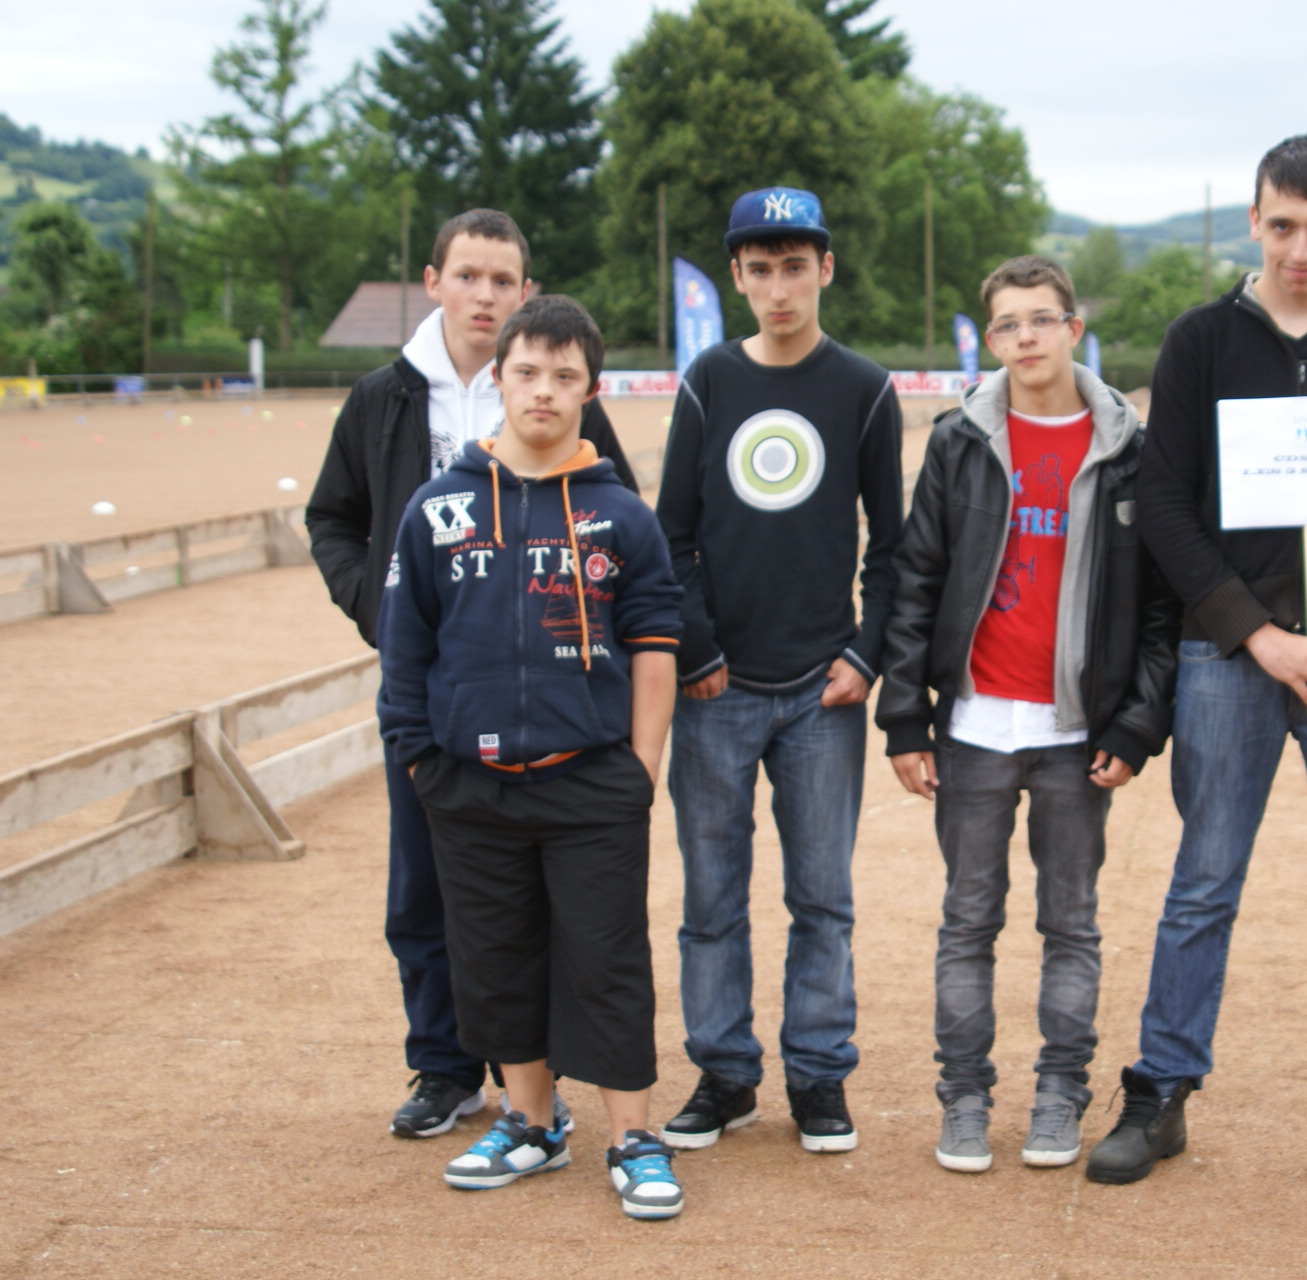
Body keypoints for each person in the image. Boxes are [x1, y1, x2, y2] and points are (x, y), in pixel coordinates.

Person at [1086, 135, 1307, 1193]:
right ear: (1254, 220)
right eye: (1282, 224)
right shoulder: (1201, 339)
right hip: (1229, 660)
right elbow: (1165, 505)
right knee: (1202, 883)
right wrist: (1258, 633)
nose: (1300, 248)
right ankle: (1160, 1091)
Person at [307, 209, 637, 1138]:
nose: (484, 295)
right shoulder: (382, 398)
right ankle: (444, 1066)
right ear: (434, 282)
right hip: (431, 690)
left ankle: (536, 1082)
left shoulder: (551, 384)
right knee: (423, 888)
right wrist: (379, 606)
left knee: (537, 897)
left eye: (502, 280)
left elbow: (616, 515)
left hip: (545, 693)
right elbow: (332, 517)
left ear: (526, 291)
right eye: (468, 276)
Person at [378, 294, 687, 1219]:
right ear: (499, 379)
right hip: (469, 786)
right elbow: (406, 647)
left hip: (592, 783)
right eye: (526, 372)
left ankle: (633, 1138)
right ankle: (532, 1124)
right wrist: (420, 761)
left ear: (591, 389)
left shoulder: (622, 515)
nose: (543, 390)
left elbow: (656, 646)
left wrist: (640, 767)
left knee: (606, 960)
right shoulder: (437, 509)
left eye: (564, 375)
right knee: (495, 959)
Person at [878, 255, 1180, 1173]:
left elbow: (1160, 608)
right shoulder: (959, 440)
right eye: (1007, 324)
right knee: (967, 922)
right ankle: (965, 1099)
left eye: (1041, 319)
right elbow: (915, 579)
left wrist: (1135, 726)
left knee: (1070, 925)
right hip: (973, 727)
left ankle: (1059, 1095)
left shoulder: (1128, 448)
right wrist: (904, 716)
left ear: (1073, 327)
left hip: (1074, 735)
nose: (1026, 337)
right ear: (991, 338)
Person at [655, 187, 903, 1154]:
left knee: (823, 899)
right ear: (737, 278)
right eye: (759, 270)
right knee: (711, 898)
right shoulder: (707, 381)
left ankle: (818, 1074)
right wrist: (697, 647)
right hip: (715, 689)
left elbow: (893, 546)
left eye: (795, 267)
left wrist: (866, 651)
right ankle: (724, 1073)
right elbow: (672, 536)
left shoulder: (865, 389)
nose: (779, 288)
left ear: (825, 269)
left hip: (822, 694)